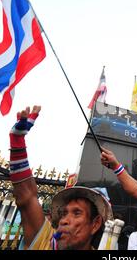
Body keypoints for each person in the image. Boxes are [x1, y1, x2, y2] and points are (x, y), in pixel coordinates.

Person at [8, 106, 113, 250]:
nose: (63, 221)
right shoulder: (45, 245)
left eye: (77, 213)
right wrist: (17, 140)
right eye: (64, 214)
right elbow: (26, 197)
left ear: (95, 224)